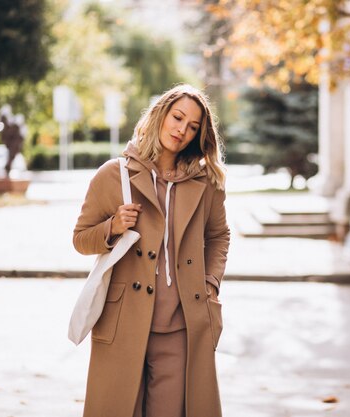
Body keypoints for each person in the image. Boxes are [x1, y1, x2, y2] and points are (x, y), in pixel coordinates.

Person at [73, 84, 230, 417]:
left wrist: (210, 283)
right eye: (177, 118)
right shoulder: (114, 175)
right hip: (122, 320)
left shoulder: (206, 183)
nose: (182, 130)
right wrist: (112, 227)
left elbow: (219, 235)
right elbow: (80, 238)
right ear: (161, 113)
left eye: (192, 127)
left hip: (180, 324)